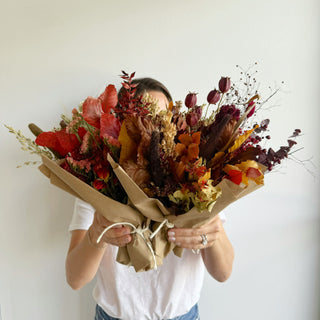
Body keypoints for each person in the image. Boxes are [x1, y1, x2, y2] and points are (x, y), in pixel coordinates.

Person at [65, 78, 235, 320]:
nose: (152, 129)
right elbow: (75, 279)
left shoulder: (197, 179)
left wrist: (211, 233)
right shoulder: (98, 184)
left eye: (162, 118)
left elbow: (223, 272)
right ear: (121, 125)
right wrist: (96, 234)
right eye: (142, 118)